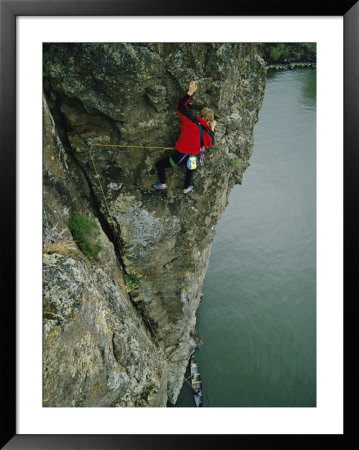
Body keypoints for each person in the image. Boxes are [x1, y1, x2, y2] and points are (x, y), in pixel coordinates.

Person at [153, 81, 216, 194]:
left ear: (200, 115)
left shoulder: (191, 121)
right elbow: (210, 143)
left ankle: (163, 184)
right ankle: (186, 188)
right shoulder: (208, 132)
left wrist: (190, 92)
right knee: (190, 170)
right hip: (191, 157)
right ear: (210, 121)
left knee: (160, 165)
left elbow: (180, 106)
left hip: (179, 157)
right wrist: (212, 128)